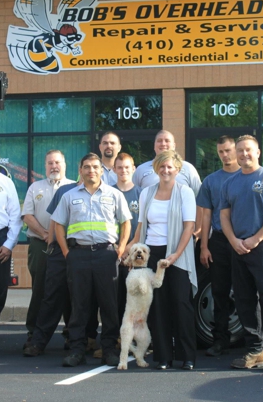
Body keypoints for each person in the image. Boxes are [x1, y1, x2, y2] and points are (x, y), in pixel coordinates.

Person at [52, 153, 132, 367]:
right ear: (80, 170)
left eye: (95, 167)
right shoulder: (69, 196)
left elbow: (126, 222)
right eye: (86, 167)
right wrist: (67, 252)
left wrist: (121, 248)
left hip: (106, 255)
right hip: (78, 255)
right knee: (79, 305)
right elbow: (58, 224)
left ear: (101, 170)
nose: (91, 171)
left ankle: (108, 349)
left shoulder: (114, 194)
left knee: (109, 305)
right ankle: (77, 349)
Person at [220, 135, 263, 373]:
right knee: (244, 300)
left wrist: (255, 239)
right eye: (239, 151)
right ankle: (255, 350)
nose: (244, 154)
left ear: (258, 152)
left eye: (248, 150)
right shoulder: (230, 183)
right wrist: (233, 241)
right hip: (238, 248)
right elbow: (224, 216)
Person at [129, 150, 197, 370]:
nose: (166, 170)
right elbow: (141, 226)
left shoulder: (185, 192)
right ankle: (163, 357)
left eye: (170, 167)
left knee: (181, 303)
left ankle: (187, 356)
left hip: (177, 254)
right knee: (157, 306)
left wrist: (176, 254)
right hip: (152, 255)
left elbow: (189, 227)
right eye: (162, 166)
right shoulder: (146, 193)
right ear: (156, 168)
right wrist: (131, 252)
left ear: (177, 169)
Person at [21, 150, 74, 346]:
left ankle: (71, 333)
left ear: (65, 164)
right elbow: (27, 215)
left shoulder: (74, 187)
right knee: (40, 289)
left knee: (70, 290)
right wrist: (46, 235)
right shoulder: (35, 187)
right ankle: (33, 332)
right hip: (39, 245)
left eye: (57, 162)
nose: (54, 166)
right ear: (45, 166)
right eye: (50, 163)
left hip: (67, 247)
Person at [196, 136, 240, 357]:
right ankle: (219, 340)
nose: (225, 155)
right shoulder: (211, 181)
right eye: (221, 151)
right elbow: (205, 215)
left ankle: (254, 342)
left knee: (247, 292)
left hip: (244, 241)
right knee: (219, 292)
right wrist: (204, 246)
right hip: (219, 241)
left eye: (229, 150)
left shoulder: (248, 176)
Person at [112, 153, 142, 329]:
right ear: (114, 169)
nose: (123, 170)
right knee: (114, 300)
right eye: (120, 167)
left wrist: (128, 249)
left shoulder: (141, 193)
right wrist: (118, 249)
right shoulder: (108, 192)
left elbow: (142, 224)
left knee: (136, 301)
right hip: (113, 253)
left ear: (133, 169)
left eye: (127, 167)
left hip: (135, 256)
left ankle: (136, 339)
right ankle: (116, 338)